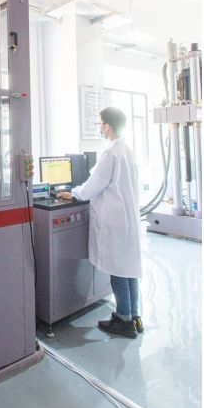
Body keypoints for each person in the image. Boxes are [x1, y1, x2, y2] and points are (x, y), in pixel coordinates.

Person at [56, 106, 143, 338]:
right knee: (128, 268)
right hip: (127, 218)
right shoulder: (126, 150)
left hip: (114, 220)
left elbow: (94, 185)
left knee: (117, 271)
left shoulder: (111, 153)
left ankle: (124, 320)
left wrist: (74, 193)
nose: (99, 128)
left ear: (107, 126)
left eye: (99, 124)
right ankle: (134, 316)